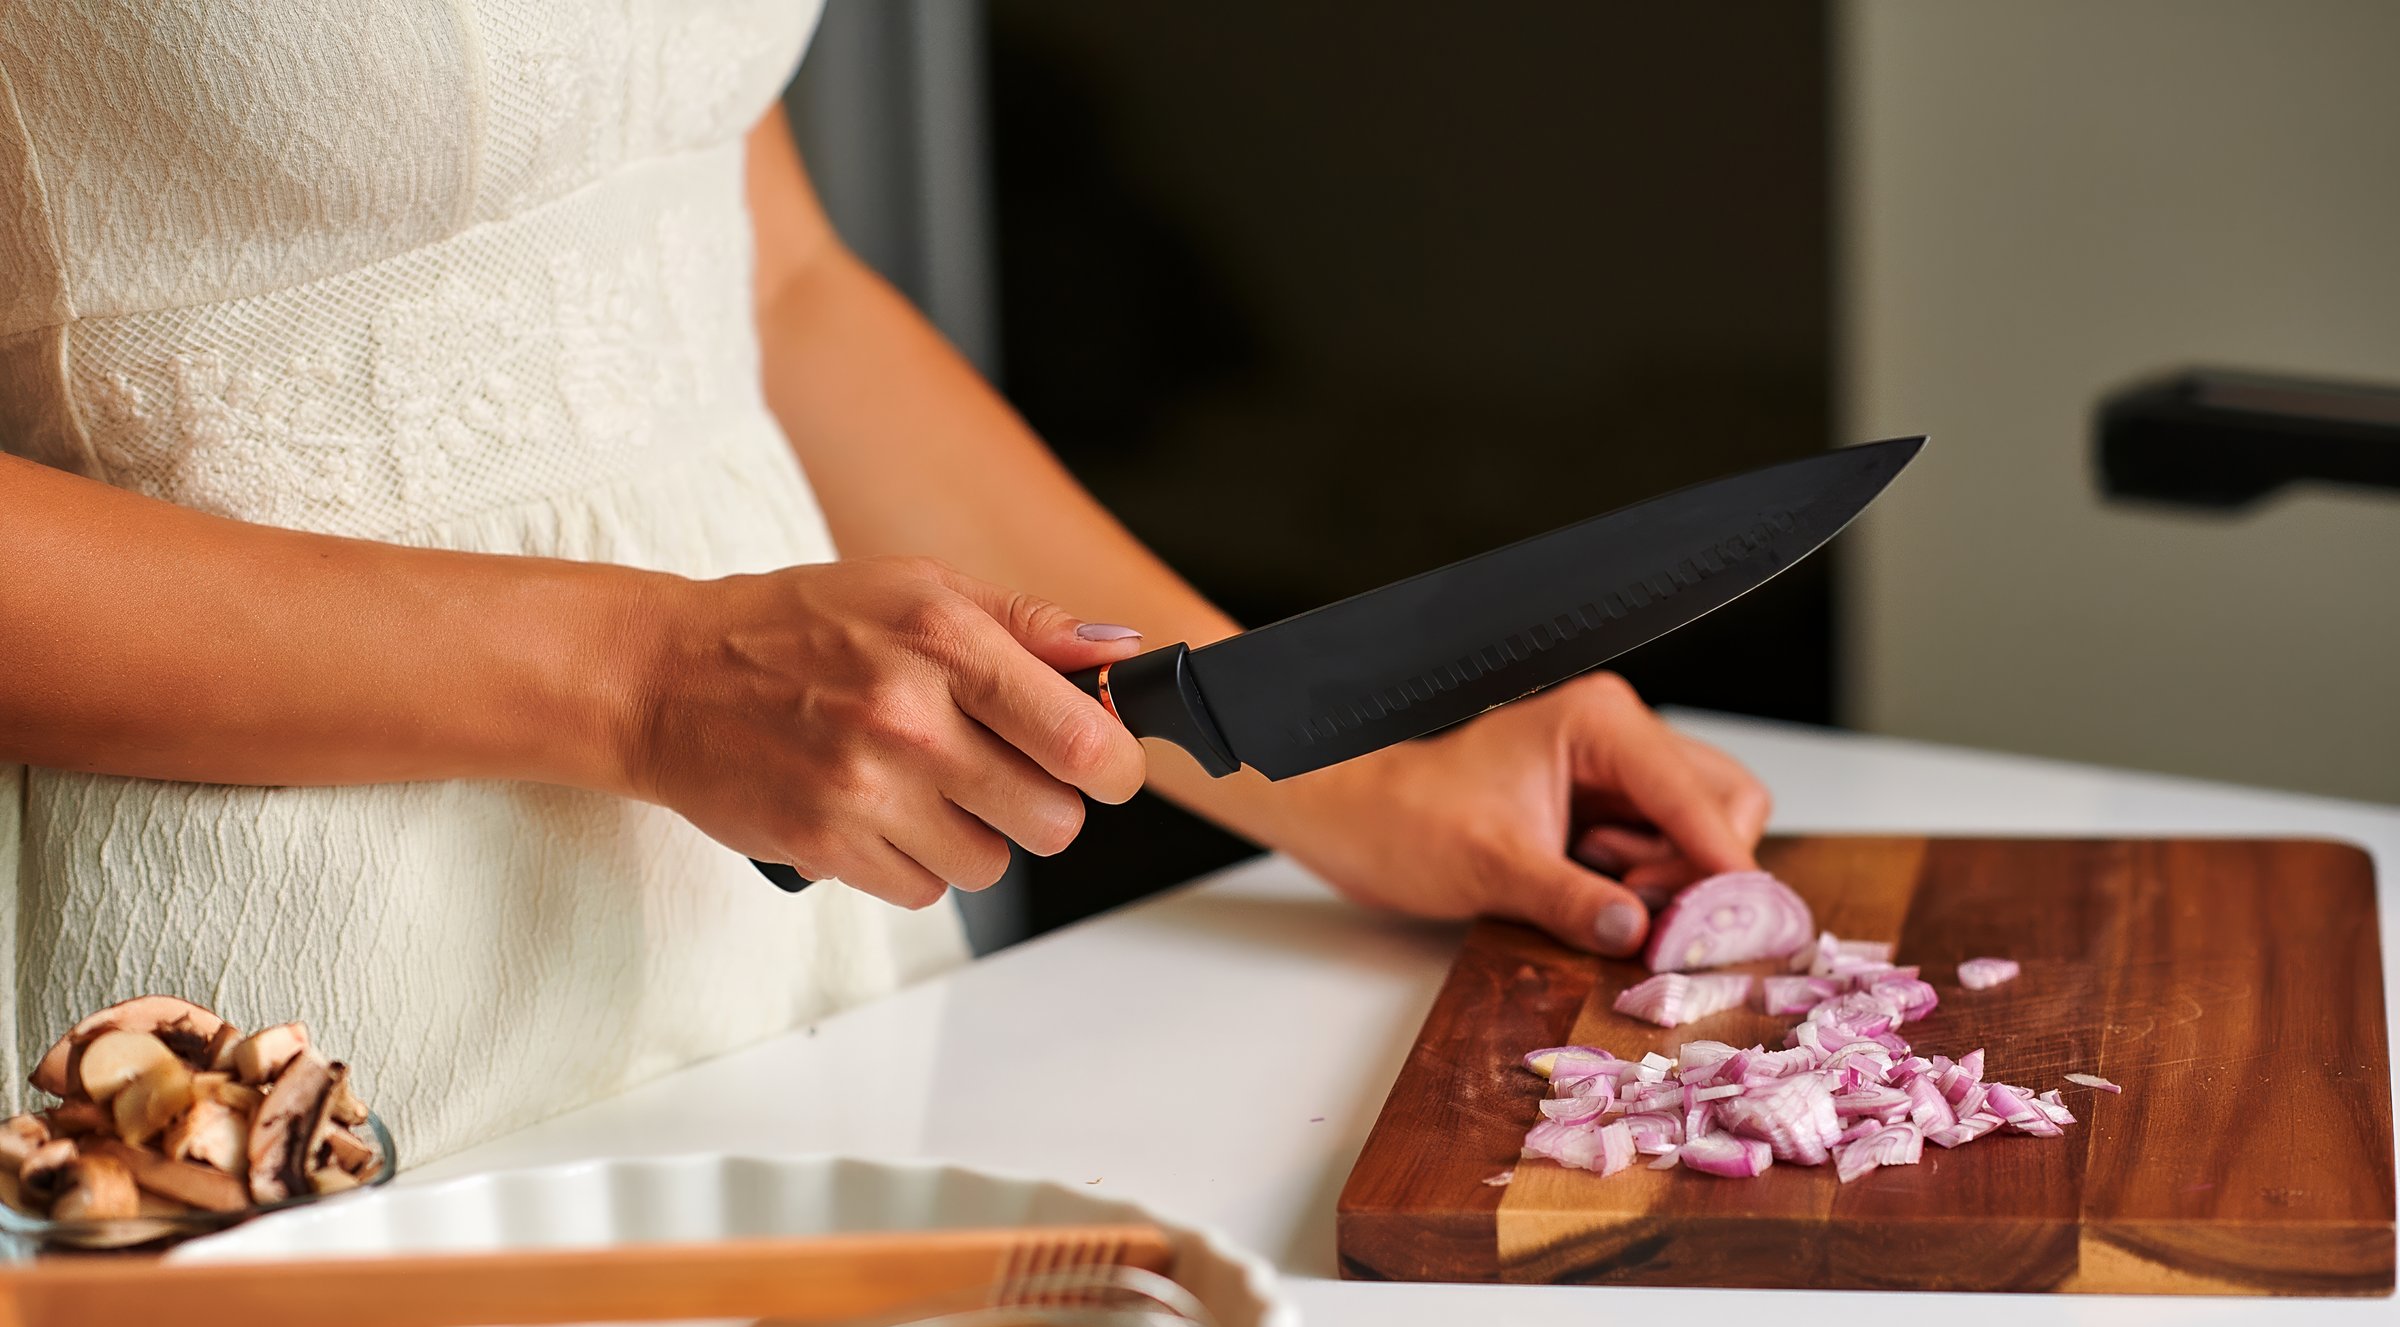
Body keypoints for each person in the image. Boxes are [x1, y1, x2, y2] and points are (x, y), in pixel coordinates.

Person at [0, 3, 1768, 1160]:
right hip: (241, 1046)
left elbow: (768, 291)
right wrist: (643, 680)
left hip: (794, 967)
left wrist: (1350, 764)